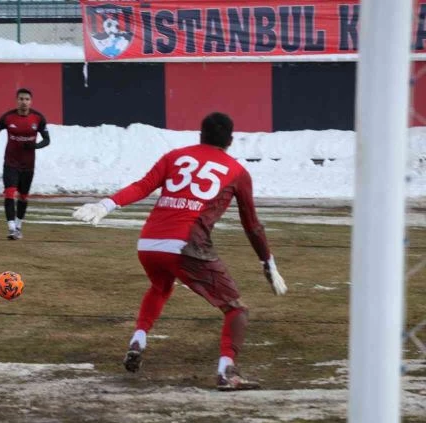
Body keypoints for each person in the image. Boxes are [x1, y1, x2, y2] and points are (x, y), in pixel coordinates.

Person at [72, 112, 288, 391]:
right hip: (186, 245)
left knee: (160, 287)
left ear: (200, 135)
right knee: (237, 311)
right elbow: (252, 226)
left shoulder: (175, 156)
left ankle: (139, 338)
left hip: (149, 242)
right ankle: (227, 372)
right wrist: (267, 260)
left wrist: (106, 205)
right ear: (231, 141)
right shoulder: (237, 172)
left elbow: (143, 186)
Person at [0, 88, 50, 240]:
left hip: (28, 165)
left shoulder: (38, 118)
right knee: (9, 192)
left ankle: (18, 225)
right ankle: (11, 228)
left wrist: (35, 146)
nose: (24, 102)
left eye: (27, 99)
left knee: (23, 197)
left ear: (31, 102)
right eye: (21, 99)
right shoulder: (8, 118)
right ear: (16, 100)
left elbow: (47, 140)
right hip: (11, 163)